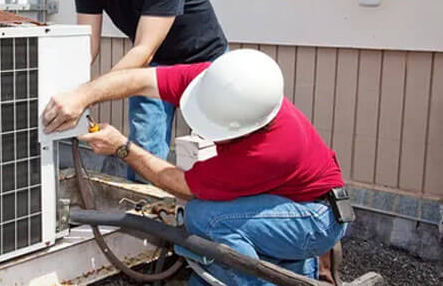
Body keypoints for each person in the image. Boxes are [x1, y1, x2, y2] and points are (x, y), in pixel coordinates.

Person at [42, 49, 350, 286]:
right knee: (214, 246)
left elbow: (180, 184)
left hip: (316, 219)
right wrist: (82, 95)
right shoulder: (218, 81)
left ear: (244, 128)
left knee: (205, 218)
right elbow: (138, 79)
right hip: (290, 200)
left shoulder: (269, 150)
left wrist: (122, 147)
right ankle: (291, 268)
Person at [74, 0, 228, 181]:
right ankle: (145, 215)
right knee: (144, 147)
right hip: (155, 67)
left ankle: (213, 213)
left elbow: (144, 49)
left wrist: (89, 93)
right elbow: (87, 46)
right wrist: (72, 89)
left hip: (205, 62)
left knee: (219, 145)